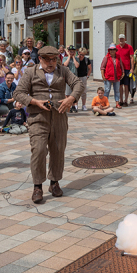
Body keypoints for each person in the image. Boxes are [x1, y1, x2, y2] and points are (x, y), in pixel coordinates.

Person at [13, 46, 83, 204]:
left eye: (54, 59)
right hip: (38, 117)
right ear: (40, 59)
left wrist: (71, 98)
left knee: (58, 150)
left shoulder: (62, 70)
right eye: (47, 59)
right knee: (38, 150)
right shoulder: (31, 72)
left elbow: (78, 84)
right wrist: (34, 101)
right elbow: (18, 93)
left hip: (59, 116)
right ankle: (37, 186)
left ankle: (54, 182)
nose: (51, 63)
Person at [64, 46, 90, 111]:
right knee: (67, 93)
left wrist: (73, 58)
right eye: (70, 51)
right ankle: (68, 106)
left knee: (74, 92)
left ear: (75, 52)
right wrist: (69, 57)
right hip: (68, 77)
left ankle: (74, 106)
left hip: (75, 77)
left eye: (73, 52)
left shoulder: (76, 59)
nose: (71, 53)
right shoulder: (65, 58)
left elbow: (77, 65)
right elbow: (65, 65)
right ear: (68, 52)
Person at [101, 44, 124, 108]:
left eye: (113, 49)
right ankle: (105, 103)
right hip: (108, 76)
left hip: (117, 77)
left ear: (115, 50)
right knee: (107, 90)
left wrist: (123, 72)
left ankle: (117, 103)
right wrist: (103, 75)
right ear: (109, 50)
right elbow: (102, 67)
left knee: (117, 90)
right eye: (111, 50)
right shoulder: (106, 57)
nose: (112, 51)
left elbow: (121, 65)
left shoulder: (118, 57)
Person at [116, 34, 135, 105]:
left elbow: (132, 58)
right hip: (119, 69)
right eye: (120, 39)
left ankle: (126, 100)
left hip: (127, 68)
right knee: (120, 85)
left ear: (125, 39)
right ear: (118, 39)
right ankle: (121, 100)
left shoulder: (129, 47)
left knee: (126, 85)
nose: (121, 40)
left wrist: (132, 68)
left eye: (122, 39)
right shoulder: (116, 47)